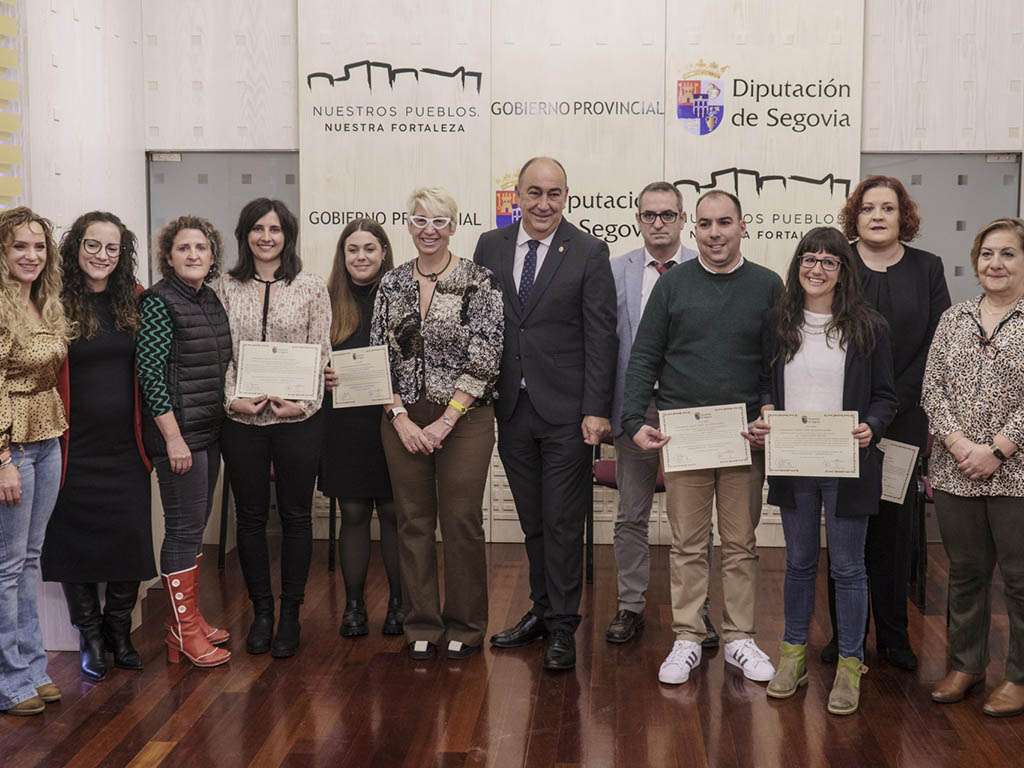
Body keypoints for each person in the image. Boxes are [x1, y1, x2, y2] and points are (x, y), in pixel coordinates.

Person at [623, 190, 781, 685]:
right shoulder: (673, 286)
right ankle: (688, 638)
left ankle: (739, 639)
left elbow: (776, 361)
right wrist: (632, 420)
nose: (715, 233)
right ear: (695, 229)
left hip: (742, 436)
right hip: (685, 435)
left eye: (725, 223)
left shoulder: (767, 285)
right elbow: (644, 355)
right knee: (688, 544)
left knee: (740, 543)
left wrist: (771, 412)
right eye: (707, 224)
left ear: (742, 227)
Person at [744, 227, 897, 715]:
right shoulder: (777, 322)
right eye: (809, 259)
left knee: (849, 566)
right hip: (794, 460)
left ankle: (850, 663)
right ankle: (793, 654)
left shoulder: (869, 327)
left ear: (843, 271)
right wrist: (766, 408)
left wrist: (871, 427)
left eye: (830, 261)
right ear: (798, 266)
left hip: (847, 461)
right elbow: (764, 383)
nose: (817, 268)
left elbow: (886, 397)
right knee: (799, 561)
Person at [474, 157, 617, 671]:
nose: (543, 203)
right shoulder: (490, 246)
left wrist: (597, 411)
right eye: (534, 193)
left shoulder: (588, 251)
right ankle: (540, 610)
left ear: (566, 196)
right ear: (517, 195)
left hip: (568, 414)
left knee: (561, 521)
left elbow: (601, 335)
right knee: (532, 521)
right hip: (511, 406)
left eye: (554, 194)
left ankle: (563, 627)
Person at [817, 176, 951, 669]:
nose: (877, 216)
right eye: (868, 207)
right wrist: (867, 407)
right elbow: (822, 335)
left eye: (888, 208)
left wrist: (890, 405)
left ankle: (895, 638)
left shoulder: (928, 267)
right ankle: (843, 636)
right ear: (855, 215)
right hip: (844, 418)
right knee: (847, 526)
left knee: (895, 532)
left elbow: (938, 347)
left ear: (903, 216)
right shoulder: (839, 262)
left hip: (904, 420)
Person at [374, 187, 503, 660]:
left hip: (464, 418)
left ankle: (466, 627)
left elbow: (486, 356)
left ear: (454, 225)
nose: (429, 229)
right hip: (402, 416)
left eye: (439, 220)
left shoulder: (479, 280)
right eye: (420, 219)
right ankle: (421, 623)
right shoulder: (392, 284)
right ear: (408, 225)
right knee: (413, 521)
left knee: (461, 519)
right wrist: (399, 417)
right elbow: (377, 358)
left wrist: (445, 422)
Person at [41, 212, 156, 682]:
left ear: (122, 253)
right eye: (93, 245)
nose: (101, 256)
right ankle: (89, 635)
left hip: (126, 445)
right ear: (76, 247)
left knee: (130, 538)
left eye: (112, 248)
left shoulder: (137, 300)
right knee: (74, 543)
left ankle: (119, 630)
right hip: (72, 448)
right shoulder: (53, 302)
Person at [216, 198, 331, 659]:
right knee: (249, 517)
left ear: (288, 235)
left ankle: (290, 614)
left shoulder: (310, 287)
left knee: (296, 516)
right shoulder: (223, 286)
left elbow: (320, 353)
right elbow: (219, 354)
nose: (267, 237)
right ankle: (261, 611)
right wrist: (232, 401)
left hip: (297, 421)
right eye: (258, 229)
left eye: (276, 229)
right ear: (245, 235)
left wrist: (301, 403)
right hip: (241, 420)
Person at [923, 217, 1024, 717]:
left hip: (1016, 471)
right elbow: (932, 388)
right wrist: (961, 445)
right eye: (987, 254)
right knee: (965, 573)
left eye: (1007, 253)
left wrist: (998, 448)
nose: (995, 264)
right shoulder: (954, 318)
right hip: (954, 468)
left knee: (1020, 578)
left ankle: (1020, 676)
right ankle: (966, 666)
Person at [605, 181, 706, 645]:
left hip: (693, 406)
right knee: (631, 512)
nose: (659, 223)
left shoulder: (706, 266)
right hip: (636, 405)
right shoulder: (615, 270)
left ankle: (697, 611)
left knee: (694, 516)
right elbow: (604, 346)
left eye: (668, 215)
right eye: (650, 215)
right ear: (638, 219)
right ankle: (630, 605)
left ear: (683, 219)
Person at [137, 214, 232, 668]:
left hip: (208, 433)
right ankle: (182, 630)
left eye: (201, 248)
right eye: (183, 248)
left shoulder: (208, 299)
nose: (193, 255)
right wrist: (172, 438)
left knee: (193, 529)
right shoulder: (158, 302)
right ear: (168, 256)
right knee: (182, 531)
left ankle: (188, 618)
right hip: (180, 439)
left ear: (212, 256)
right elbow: (151, 376)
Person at [0, 208, 69, 716]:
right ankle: (9, 678)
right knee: (5, 567)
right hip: (10, 445)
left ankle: (33, 665)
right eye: (20, 246)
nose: (31, 255)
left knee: (30, 559)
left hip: (48, 436)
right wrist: (1, 457)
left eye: (39, 246)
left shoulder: (44, 302)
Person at [321, 218, 403, 637]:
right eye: (353, 249)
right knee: (353, 511)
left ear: (384, 252)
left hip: (391, 419)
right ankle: (353, 606)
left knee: (392, 512)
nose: (361, 257)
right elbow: (308, 355)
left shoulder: (404, 294)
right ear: (343, 255)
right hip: (344, 421)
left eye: (370, 248)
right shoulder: (326, 299)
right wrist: (323, 371)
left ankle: (398, 605)